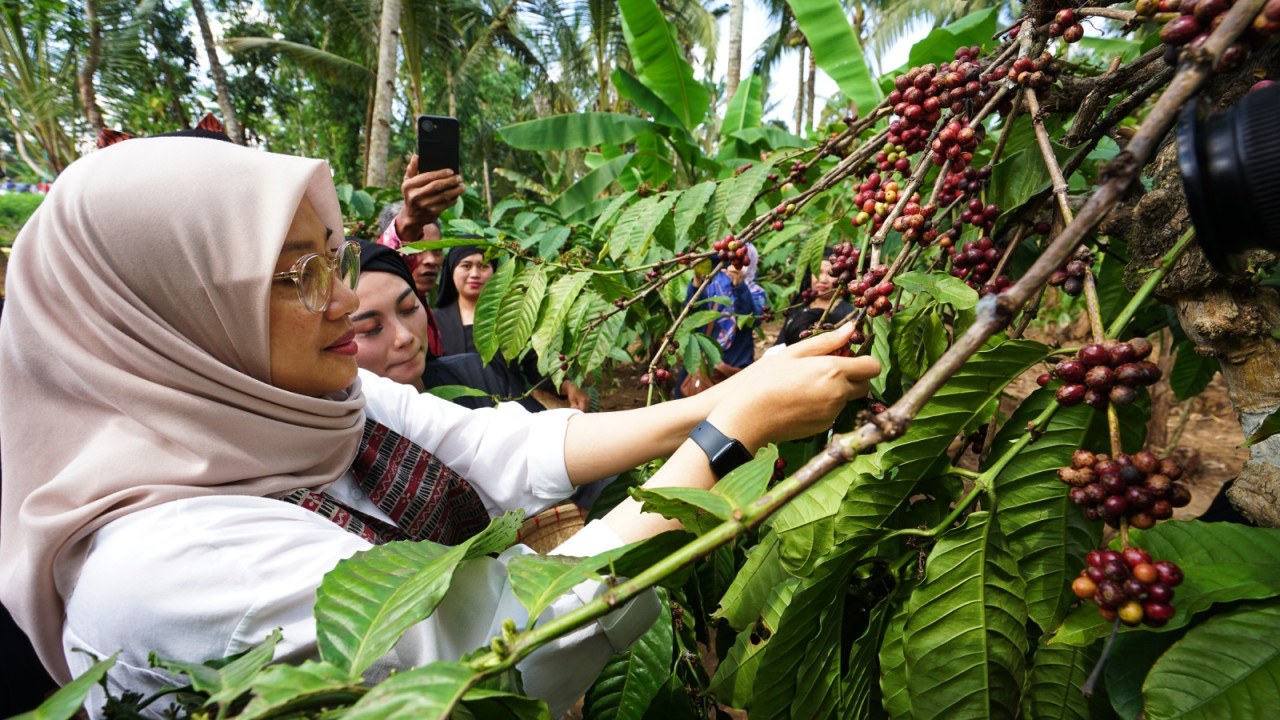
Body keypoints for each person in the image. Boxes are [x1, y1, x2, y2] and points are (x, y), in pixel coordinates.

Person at [0, 135, 879, 718]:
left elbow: (492, 444)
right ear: (169, 319)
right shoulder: (162, 570)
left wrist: (723, 398)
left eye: (332, 254)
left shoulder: (298, 401)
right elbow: (502, 651)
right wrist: (730, 438)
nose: (346, 301)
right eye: (297, 276)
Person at [434, 244, 590, 412]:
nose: (474, 274)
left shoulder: (511, 315)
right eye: (466, 265)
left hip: (513, 408)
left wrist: (566, 385)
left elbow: (533, 362)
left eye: (483, 266)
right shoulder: (434, 321)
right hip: (456, 413)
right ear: (451, 270)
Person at [675, 244, 769, 397]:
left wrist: (739, 286)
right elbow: (690, 312)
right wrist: (697, 280)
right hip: (702, 358)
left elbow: (751, 320)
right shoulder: (711, 285)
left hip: (736, 362)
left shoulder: (756, 292)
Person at [773, 249, 854, 348]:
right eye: (818, 272)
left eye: (830, 273)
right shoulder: (799, 305)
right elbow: (781, 341)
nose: (823, 280)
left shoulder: (848, 313)